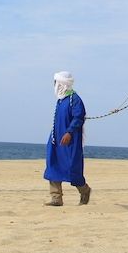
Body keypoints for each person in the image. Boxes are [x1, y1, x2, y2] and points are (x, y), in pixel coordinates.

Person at [44, 71, 91, 207]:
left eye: (56, 82)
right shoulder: (61, 100)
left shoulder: (74, 99)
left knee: (72, 167)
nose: (54, 85)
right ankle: (56, 198)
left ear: (62, 83)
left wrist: (69, 132)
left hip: (70, 140)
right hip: (56, 138)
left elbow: (79, 117)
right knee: (52, 164)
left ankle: (85, 190)